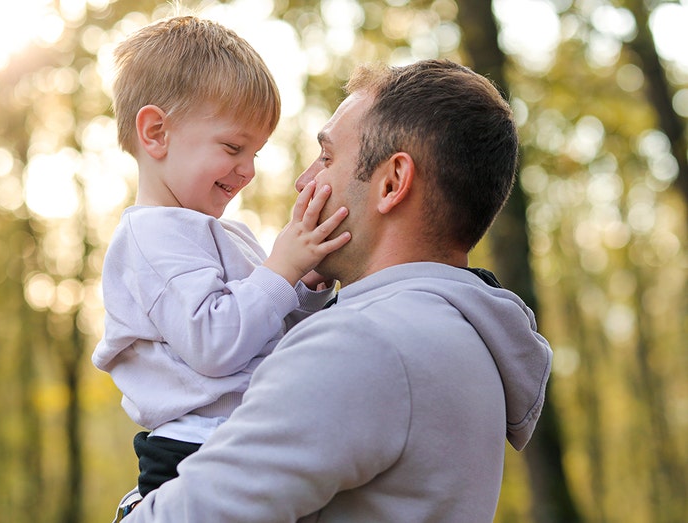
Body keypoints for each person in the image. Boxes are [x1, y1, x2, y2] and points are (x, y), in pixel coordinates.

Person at [124, 59, 554, 522]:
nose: (304, 180)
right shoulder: (467, 335)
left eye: (326, 158)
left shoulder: (364, 343)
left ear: (392, 183)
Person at [91, 15, 351, 517]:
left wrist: (307, 287)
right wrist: (280, 269)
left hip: (240, 440)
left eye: (255, 152)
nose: (248, 169)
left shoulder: (226, 234)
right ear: (157, 133)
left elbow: (267, 334)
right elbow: (214, 344)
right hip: (194, 451)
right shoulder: (150, 238)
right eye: (233, 147)